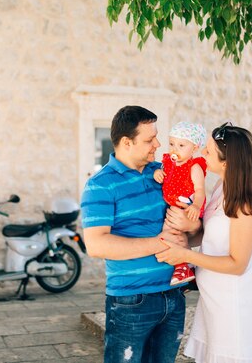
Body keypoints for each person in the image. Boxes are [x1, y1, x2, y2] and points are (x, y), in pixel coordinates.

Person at [81, 105, 201, 363]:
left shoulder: (166, 172)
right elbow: (96, 245)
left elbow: (194, 231)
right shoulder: (100, 185)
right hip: (130, 302)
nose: (158, 144)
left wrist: (192, 227)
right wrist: (161, 243)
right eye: (149, 139)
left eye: (157, 136)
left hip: (175, 295)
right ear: (126, 142)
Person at [156, 122, 252, 363]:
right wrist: (186, 232)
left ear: (227, 163)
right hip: (214, 303)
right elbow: (210, 235)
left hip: (235, 306)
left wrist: (184, 255)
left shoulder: (246, 202)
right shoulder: (221, 186)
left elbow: (237, 264)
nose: (201, 154)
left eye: (207, 151)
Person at [153, 121, 207, 285]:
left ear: (194, 147)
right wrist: (157, 173)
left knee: (172, 233)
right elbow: (163, 174)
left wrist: (196, 206)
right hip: (173, 205)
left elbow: (200, 190)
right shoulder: (169, 162)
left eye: (181, 145)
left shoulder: (193, 167)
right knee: (173, 233)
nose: (174, 149)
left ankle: (183, 265)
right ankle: (185, 265)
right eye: (171, 144)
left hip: (187, 205)